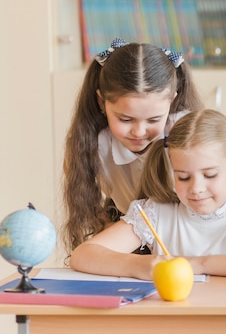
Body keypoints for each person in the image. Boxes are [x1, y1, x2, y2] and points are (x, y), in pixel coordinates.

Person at [69, 109, 226, 280]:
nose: (196, 188)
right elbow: (84, 255)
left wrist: (197, 264)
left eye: (209, 175)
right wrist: (138, 265)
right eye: (183, 177)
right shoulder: (155, 215)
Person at [61, 38, 204, 255]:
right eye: (126, 119)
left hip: (194, 239)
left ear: (171, 102)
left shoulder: (187, 135)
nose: (138, 132)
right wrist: (112, 233)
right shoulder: (95, 145)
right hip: (135, 241)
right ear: (102, 102)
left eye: (154, 120)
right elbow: (92, 204)